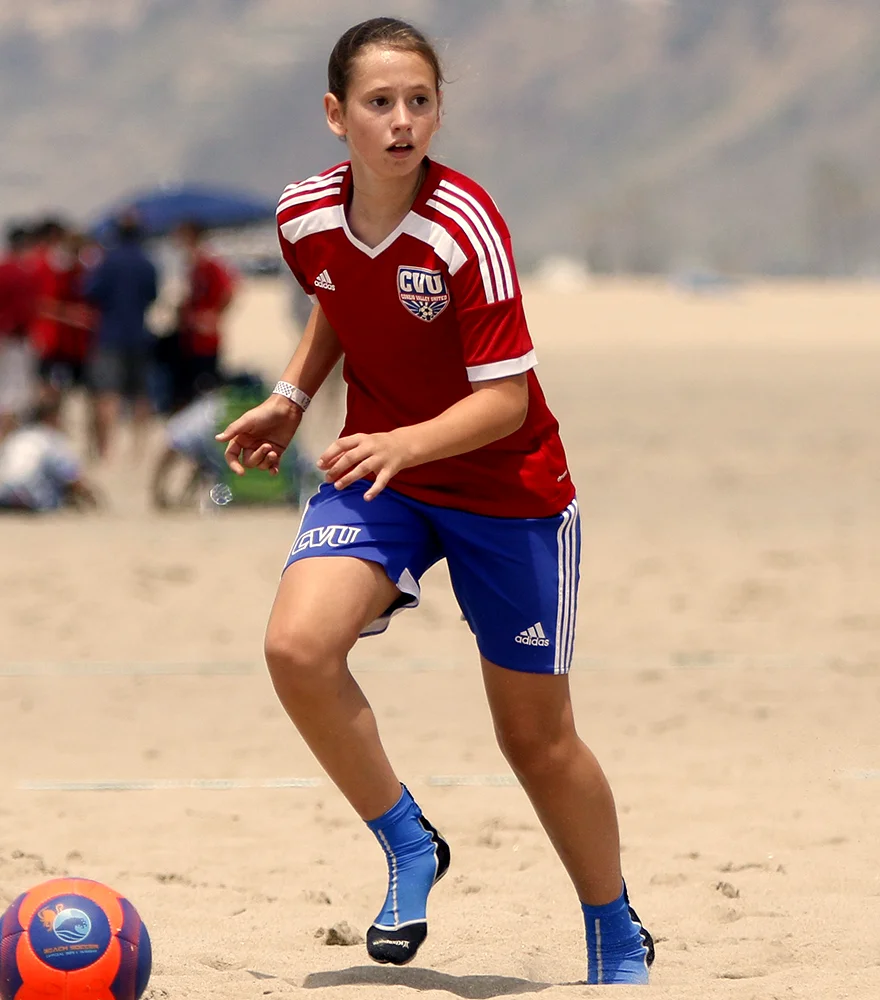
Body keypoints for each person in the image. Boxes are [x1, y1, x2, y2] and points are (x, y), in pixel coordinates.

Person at [216, 17, 654, 985]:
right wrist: (291, 399)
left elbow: (503, 402)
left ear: (438, 111)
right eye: (379, 104)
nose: (402, 121)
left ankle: (612, 923)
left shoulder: (467, 226)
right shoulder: (300, 214)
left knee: (534, 741)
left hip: (508, 489)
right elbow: (338, 292)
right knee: (295, 648)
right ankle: (410, 843)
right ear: (337, 116)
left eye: (419, 101)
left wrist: (401, 440)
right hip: (387, 476)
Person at [83, 213, 159, 460]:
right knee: (140, 394)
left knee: (108, 393)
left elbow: (91, 292)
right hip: (138, 333)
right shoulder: (147, 263)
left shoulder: (108, 262)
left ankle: (108, 450)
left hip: (110, 334)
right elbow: (152, 295)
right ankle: (139, 449)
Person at [172, 221, 236, 408]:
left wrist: (213, 315)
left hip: (204, 338)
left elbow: (229, 289)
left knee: (206, 387)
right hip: (190, 336)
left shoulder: (208, 263)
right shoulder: (191, 265)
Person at [0, 399, 98, 512]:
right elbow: (70, 476)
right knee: (53, 489)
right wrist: (91, 495)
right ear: (52, 418)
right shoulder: (51, 438)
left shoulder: (17, 436)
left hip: (4, 489)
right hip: (31, 493)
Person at [0, 224, 39, 440]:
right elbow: (24, 312)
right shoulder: (22, 272)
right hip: (13, 341)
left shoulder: (2, 268)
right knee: (11, 396)